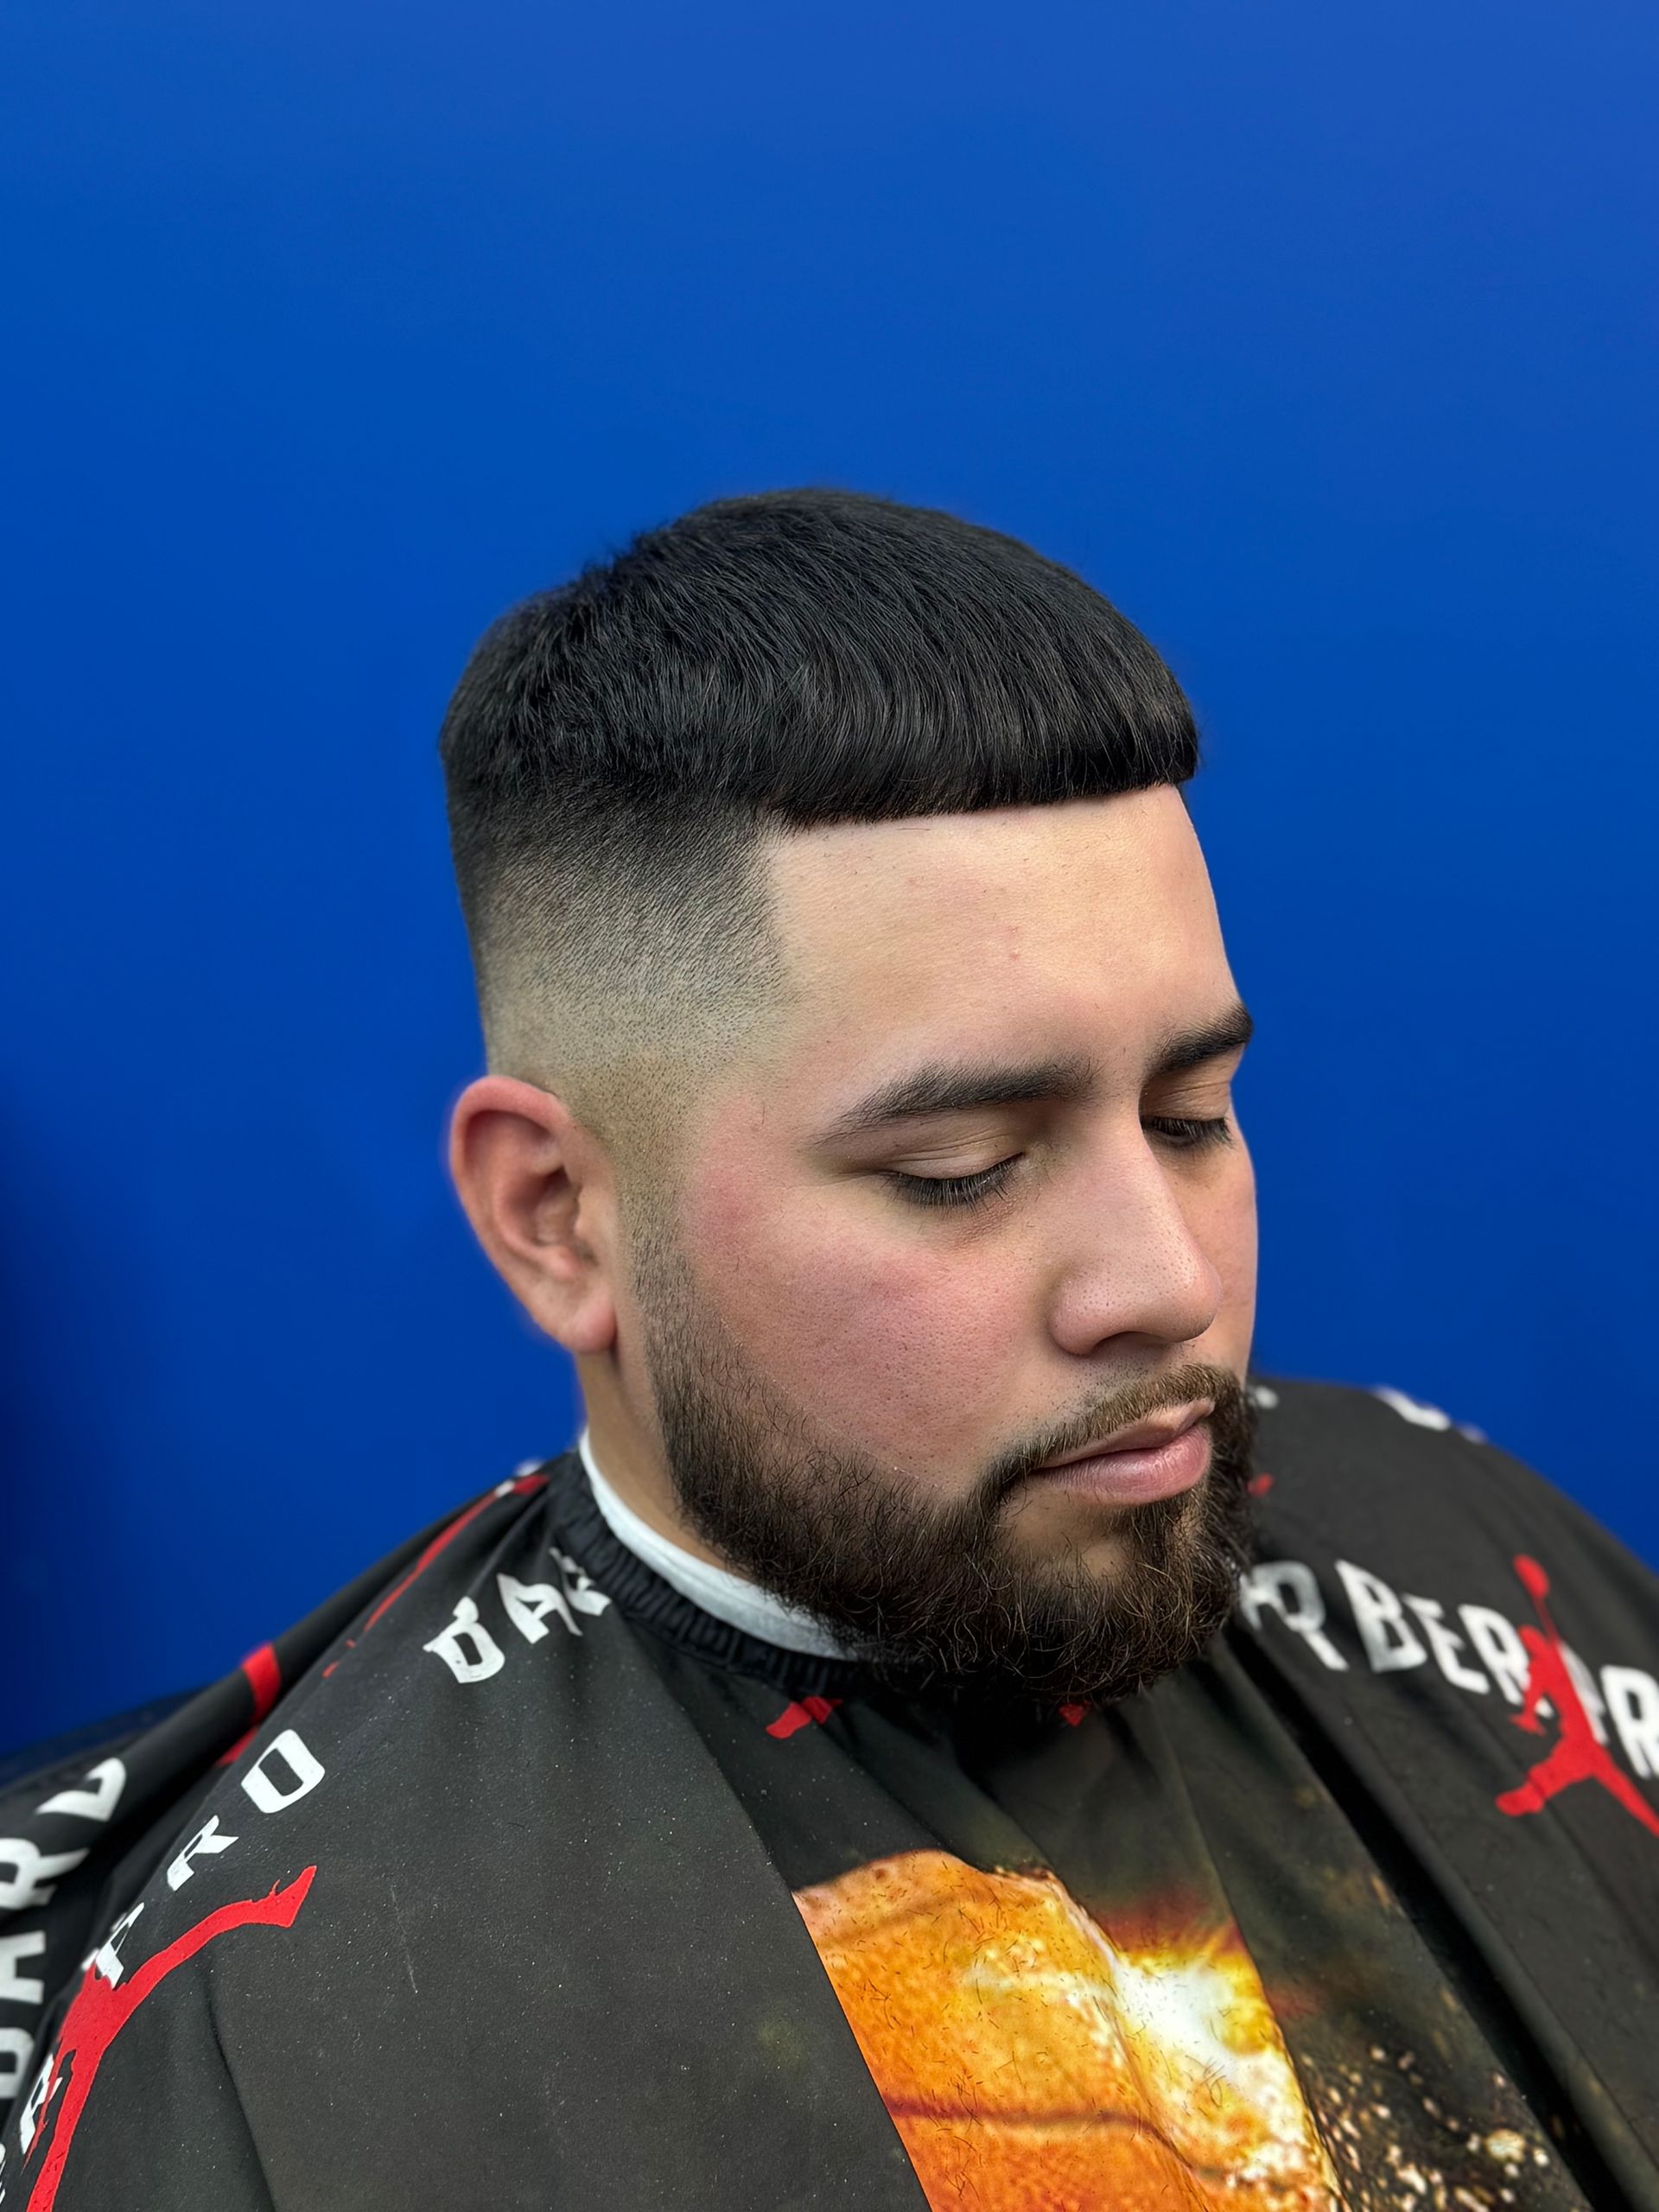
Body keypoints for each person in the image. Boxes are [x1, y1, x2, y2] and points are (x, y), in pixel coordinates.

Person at [2, 491, 1655, 2212]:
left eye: (1192, 1111)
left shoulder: (1479, 1574)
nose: (1163, 1283)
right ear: (557, 1213)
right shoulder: (276, 2036)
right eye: (961, 1171)